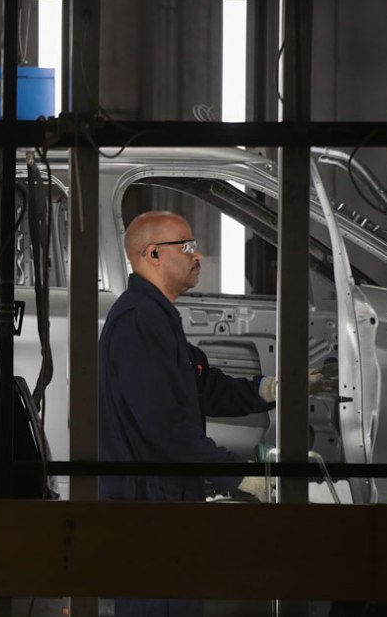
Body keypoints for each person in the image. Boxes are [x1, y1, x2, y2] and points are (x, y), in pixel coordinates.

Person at [99, 211, 282, 617]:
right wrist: (239, 475)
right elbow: (166, 428)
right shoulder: (138, 322)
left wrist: (267, 390)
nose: (197, 255)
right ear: (152, 255)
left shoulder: (158, 318)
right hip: (151, 510)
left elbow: (201, 385)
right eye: (186, 246)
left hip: (166, 503)